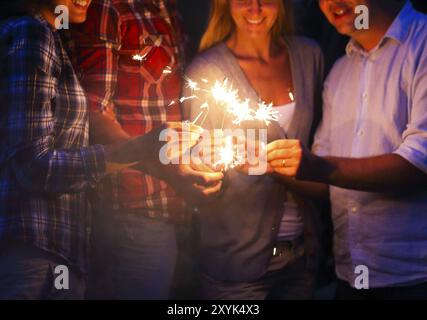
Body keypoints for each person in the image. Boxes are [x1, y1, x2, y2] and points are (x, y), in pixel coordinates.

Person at [0, 0, 222, 300]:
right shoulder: (31, 34)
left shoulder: (53, 37)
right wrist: (142, 149)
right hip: (33, 248)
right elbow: (31, 165)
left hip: (62, 247)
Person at [266, 0, 427, 299]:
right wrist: (264, 159)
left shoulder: (422, 46)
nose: (333, 3)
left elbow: (417, 165)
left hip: (414, 278)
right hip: (351, 277)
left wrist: (319, 166)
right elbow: (323, 183)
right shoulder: (340, 72)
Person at [68, 0, 223, 299]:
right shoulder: (109, 9)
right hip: (130, 212)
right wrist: (164, 169)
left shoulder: (168, 9)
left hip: (173, 210)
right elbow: (91, 113)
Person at [183, 0, 324, 300]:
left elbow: (322, 153)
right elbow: (198, 175)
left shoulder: (309, 56)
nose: (255, 8)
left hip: (304, 255)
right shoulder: (207, 71)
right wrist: (209, 168)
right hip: (236, 269)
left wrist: (265, 160)